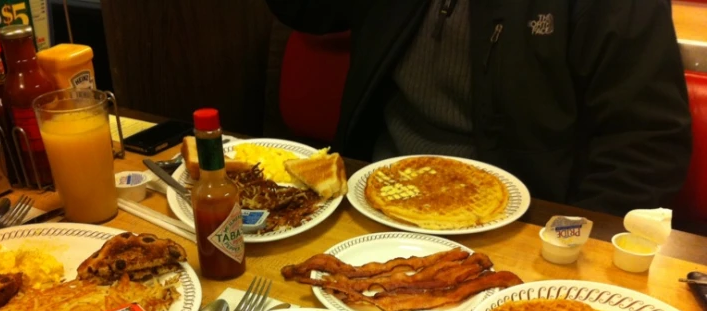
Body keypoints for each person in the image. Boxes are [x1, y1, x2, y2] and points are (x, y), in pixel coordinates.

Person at [265, 0, 692, 215]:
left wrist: (570, 240)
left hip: (520, 224)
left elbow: (647, 141)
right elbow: (305, 8)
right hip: (370, 197)